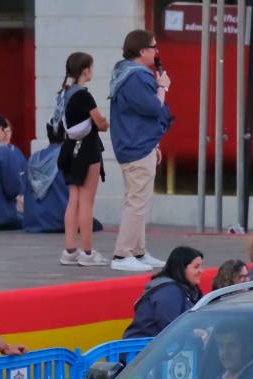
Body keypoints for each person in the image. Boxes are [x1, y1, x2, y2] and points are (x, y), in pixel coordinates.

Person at [109, 29, 173, 272]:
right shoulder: (135, 77)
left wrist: (154, 143)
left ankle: (138, 251)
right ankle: (122, 253)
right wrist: (162, 87)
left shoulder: (124, 73)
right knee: (136, 201)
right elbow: (153, 108)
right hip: (136, 145)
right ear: (143, 50)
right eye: (154, 47)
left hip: (137, 143)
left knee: (137, 199)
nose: (157, 51)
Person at [55, 52, 110, 267]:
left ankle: (70, 250)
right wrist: (104, 122)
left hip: (68, 149)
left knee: (74, 200)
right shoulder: (84, 95)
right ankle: (87, 253)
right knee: (87, 201)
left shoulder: (64, 93)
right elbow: (100, 123)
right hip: (87, 150)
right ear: (85, 69)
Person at [123, 246, 204, 338]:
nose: (201, 271)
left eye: (201, 266)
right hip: (142, 348)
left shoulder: (192, 289)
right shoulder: (168, 292)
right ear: (181, 268)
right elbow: (172, 329)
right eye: (196, 267)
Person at [22, 125, 71, 234]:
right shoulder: (68, 157)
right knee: (92, 223)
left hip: (32, 222)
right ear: (66, 134)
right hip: (61, 221)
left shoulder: (34, 157)